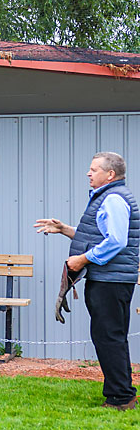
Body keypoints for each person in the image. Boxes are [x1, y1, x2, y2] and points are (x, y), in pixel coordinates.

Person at [35, 151, 139, 410]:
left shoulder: (113, 199)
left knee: (108, 336)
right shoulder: (110, 196)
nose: (88, 173)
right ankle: (121, 392)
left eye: (94, 169)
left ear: (110, 174)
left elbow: (116, 241)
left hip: (110, 280)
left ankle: (121, 398)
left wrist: (82, 259)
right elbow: (101, 236)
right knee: (111, 336)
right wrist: (65, 230)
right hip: (111, 279)